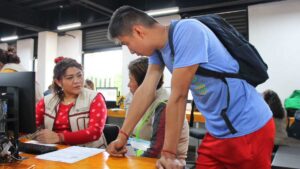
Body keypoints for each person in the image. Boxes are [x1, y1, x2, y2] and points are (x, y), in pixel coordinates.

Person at [106, 6, 275, 169]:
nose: (131, 51)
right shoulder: (158, 51)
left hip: (249, 126)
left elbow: (179, 95)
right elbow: (146, 89)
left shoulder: (187, 31)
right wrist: (122, 137)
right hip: (217, 132)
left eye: (127, 43)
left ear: (138, 31)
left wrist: (168, 153)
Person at [35, 57, 108, 148]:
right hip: (55, 151)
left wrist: (60, 137)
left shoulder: (95, 98)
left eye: (79, 75)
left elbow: (95, 132)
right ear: (58, 82)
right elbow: (31, 126)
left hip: (89, 152)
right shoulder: (46, 101)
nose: (77, 81)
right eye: (70, 78)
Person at [127, 57, 189, 161]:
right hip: (144, 156)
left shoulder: (163, 104)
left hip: (164, 163)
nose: (128, 85)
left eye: (130, 80)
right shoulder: (147, 100)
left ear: (143, 83)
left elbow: (155, 150)